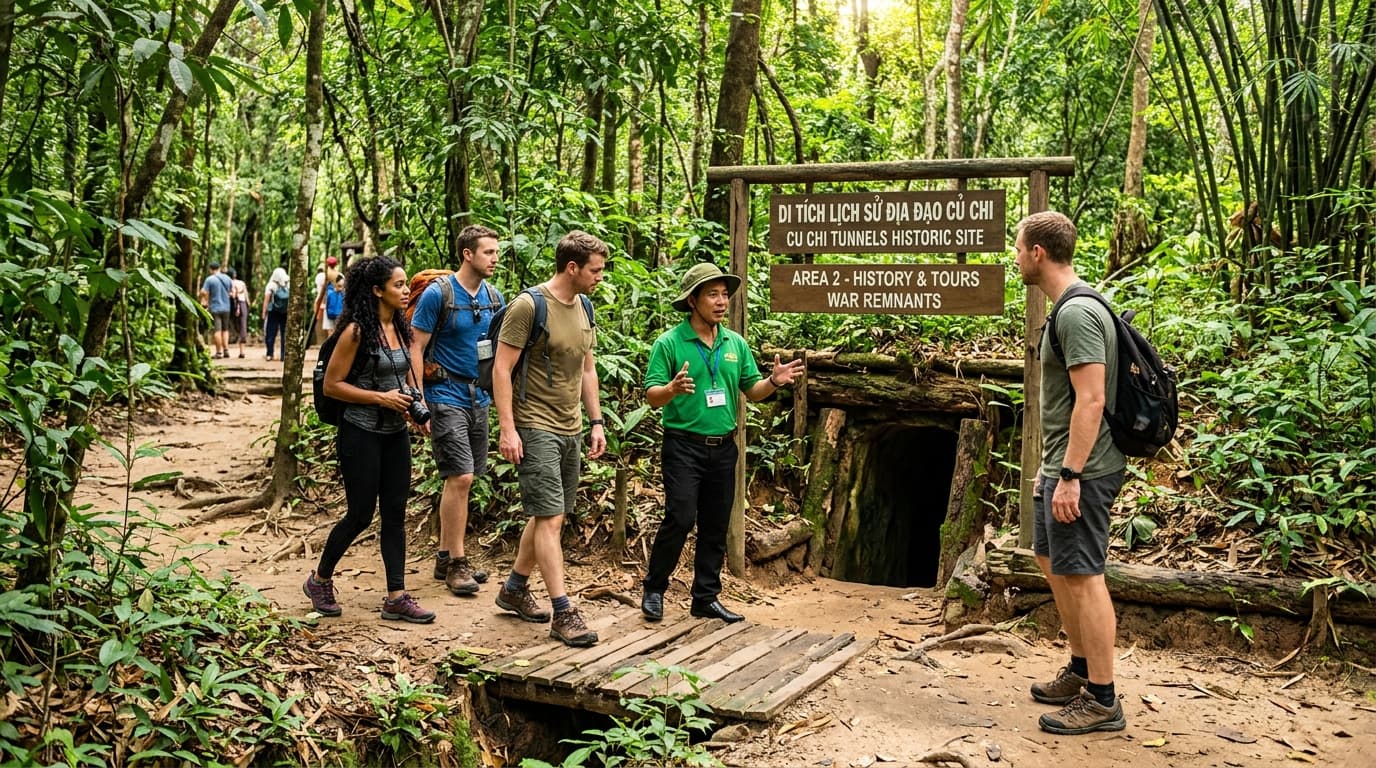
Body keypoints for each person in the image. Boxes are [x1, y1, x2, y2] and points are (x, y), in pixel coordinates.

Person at [639, 263, 804, 625]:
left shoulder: (735, 343)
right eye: (712, 294)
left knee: (715, 525)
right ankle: (654, 588)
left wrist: (774, 381)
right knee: (680, 517)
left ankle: (705, 598)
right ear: (693, 300)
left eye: (724, 294)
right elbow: (652, 396)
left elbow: (753, 392)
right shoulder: (669, 343)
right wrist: (671, 389)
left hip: (724, 447)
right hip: (683, 445)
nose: (721, 301)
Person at [1014, 210, 1127, 735]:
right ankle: (1082, 670)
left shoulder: (1077, 313)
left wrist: (1071, 475)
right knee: (1048, 557)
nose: (1016, 258)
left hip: (1084, 468)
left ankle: (1103, 700)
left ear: (1038, 252)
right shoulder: (1067, 308)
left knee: (1084, 575)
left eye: (1018, 249)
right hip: (1062, 463)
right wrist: (1053, 469)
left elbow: (1093, 399)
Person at [302, 256, 435, 624]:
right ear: (377, 290)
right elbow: (333, 385)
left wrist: (413, 406)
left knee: (395, 513)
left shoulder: (402, 327)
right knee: (360, 514)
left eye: (406, 284)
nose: (406, 291)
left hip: (394, 433)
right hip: (359, 432)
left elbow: (404, 373)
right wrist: (381, 398)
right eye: (398, 285)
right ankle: (319, 580)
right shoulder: (356, 331)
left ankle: (396, 597)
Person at [492, 230, 608, 647]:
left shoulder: (585, 306)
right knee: (551, 517)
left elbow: (587, 369)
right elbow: (501, 369)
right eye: (595, 270)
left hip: (571, 425)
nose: (601, 277)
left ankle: (514, 588)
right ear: (572, 267)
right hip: (534, 423)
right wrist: (508, 429)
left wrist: (596, 422)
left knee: (547, 514)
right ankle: (563, 612)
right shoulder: (529, 306)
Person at [409, 224, 503, 596]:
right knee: (460, 476)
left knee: (466, 478)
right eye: (488, 252)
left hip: (478, 396)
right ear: (468, 254)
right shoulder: (438, 295)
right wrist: (416, 399)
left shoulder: (494, 297)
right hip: (444, 394)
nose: (495, 258)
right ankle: (458, 564)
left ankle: (446, 556)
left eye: (496, 252)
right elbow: (416, 347)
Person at [199, 260, 233, 359]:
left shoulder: (210, 280)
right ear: (219, 268)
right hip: (227, 307)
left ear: (211, 269)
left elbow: (203, 291)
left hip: (215, 308)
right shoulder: (227, 278)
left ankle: (219, 352)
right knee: (225, 330)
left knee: (217, 331)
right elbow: (231, 291)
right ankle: (226, 350)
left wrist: (204, 298)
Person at [262, 266, 290, 361]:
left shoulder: (271, 285)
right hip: (285, 312)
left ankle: (270, 354)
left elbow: (267, 299)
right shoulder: (288, 284)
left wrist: (264, 312)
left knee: (271, 332)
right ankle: (284, 355)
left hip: (273, 311)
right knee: (284, 333)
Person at [228, 267, 249, 358]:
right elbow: (246, 296)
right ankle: (242, 351)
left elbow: (232, 296)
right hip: (242, 304)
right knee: (242, 327)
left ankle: (227, 350)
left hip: (233, 306)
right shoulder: (241, 283)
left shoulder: (229, 283)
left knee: (236, 327)